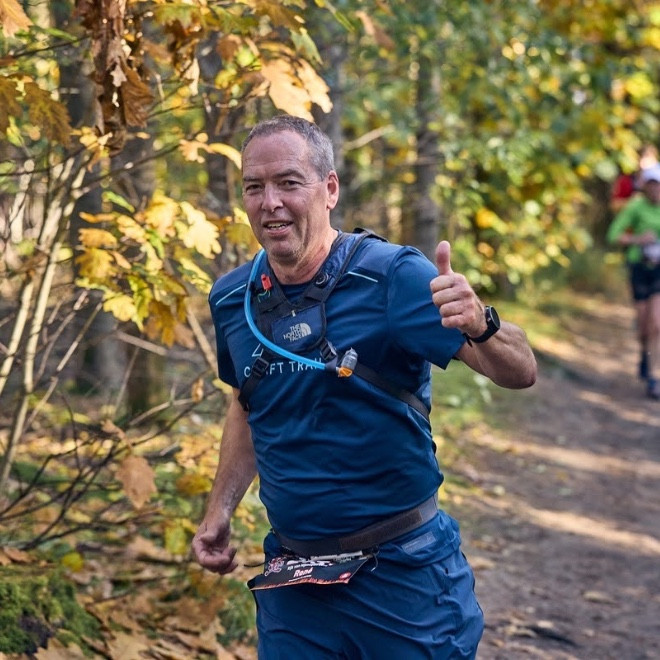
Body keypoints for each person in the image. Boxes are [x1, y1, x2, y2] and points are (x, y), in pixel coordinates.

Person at [192, 115, 537, 658]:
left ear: (329, 189)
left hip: (403, 575)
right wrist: (220, 510)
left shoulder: (392, 276)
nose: (270, 202)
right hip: (295, 581)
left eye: (288, 182)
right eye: (254, 187)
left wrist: (481, 323)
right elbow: (248, 404)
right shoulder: (233, 299)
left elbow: (520, 371)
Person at [607, 164, 660, 400]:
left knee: (656, 323)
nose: (656, 189)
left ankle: (654, 377)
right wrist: (639, 239)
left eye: (659, 185)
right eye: (652, 184)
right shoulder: (635, 206)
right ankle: (644, 354)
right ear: (645, 186)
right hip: (639, 267)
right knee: (643, 324)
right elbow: (613, 235)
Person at [610, 144, 658, 213]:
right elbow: (614, 205)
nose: (643, 164)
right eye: (641, 158)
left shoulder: (657, 178)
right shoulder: (627, 181)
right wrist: (631, 201)